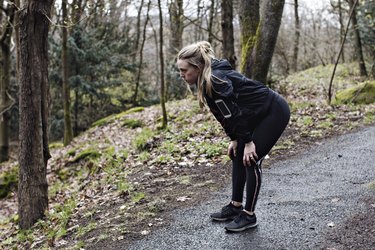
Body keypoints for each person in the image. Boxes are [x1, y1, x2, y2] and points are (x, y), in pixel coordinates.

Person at [176, 41, 290, 232]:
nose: (181, 75)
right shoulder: (207, 80)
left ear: (197, 67)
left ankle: (249, 216)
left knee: (251, 160)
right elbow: (224, 115)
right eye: (179, 70)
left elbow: (234, 115)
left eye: (184, 70)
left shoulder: (216, 81)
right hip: (255, 113)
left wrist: (248, 142)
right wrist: (235, 140)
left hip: (273, 111)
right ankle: (236, 207)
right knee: (237, 154)